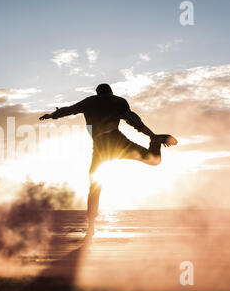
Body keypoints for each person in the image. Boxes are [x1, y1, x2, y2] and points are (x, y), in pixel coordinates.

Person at [39, 83, 177, 237]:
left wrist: (52, 115)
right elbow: (136, 122)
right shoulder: (118, 101)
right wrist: (152, 136)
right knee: (154, 160)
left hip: (100, 147)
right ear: (110, 92)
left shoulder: (90, 101)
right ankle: (155, 143)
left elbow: (68, 110)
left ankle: (91, 227)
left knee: (94, 186)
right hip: (119, 143)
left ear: (98, 93)